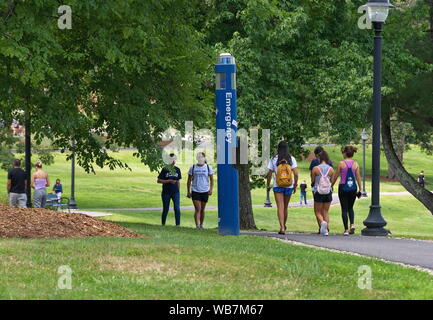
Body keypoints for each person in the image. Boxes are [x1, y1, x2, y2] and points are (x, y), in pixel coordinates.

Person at [266, 141, 299, 235]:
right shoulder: (291, 159)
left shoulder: (273, 159)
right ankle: (284, 225)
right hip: (289, 185)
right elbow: (296, 174)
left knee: (280, 206)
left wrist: (268, 184)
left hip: (278, 185)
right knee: (285, 207)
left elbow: (269, 173)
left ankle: (282, 227)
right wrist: (295, 184)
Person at [331, 146, 362, 236]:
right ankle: (352, 224)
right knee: (350, 208)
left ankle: (346, 230)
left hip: (343, 187)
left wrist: (331, 185)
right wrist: (360, 189)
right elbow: (358, 177)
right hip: (353, 188)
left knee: (344, 209)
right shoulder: (355, 164)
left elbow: (336, 176)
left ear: (345, 153)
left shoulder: (341, 163)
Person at [187, 152, 214, 229]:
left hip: (205, 190)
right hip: (195, 190)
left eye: (202, 157)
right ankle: (197, 225)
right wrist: (188, 191)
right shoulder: (193, 167)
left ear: (204, 158)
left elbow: (212, 180)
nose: (200, 158)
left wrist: (211, 189)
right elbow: (189, 180)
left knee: (202, 209)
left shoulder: (208, 167)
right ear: (197, 158)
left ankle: (201, 224)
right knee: (198, 209)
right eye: (199, 157)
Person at [310, 146, 333, 233]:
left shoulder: (315, 168)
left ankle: (322, 223)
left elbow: (313, 180)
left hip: (318, 191)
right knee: (326, 211)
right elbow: (332, 180)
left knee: (317, 211)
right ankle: (326, 229)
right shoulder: (331, 169)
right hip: (328, 191)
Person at [157, 153, 182, 226]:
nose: (173, 161)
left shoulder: (177, 169)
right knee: (165, 209)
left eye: (174, 159)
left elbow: (178, 181)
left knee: (177, 208)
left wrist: (178, 191)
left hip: (175, 192)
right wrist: (169, 181)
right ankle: (163, 224)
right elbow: (159, 180)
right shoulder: (165, 169)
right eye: (171, 159)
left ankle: (178, 225)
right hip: (166, 192)